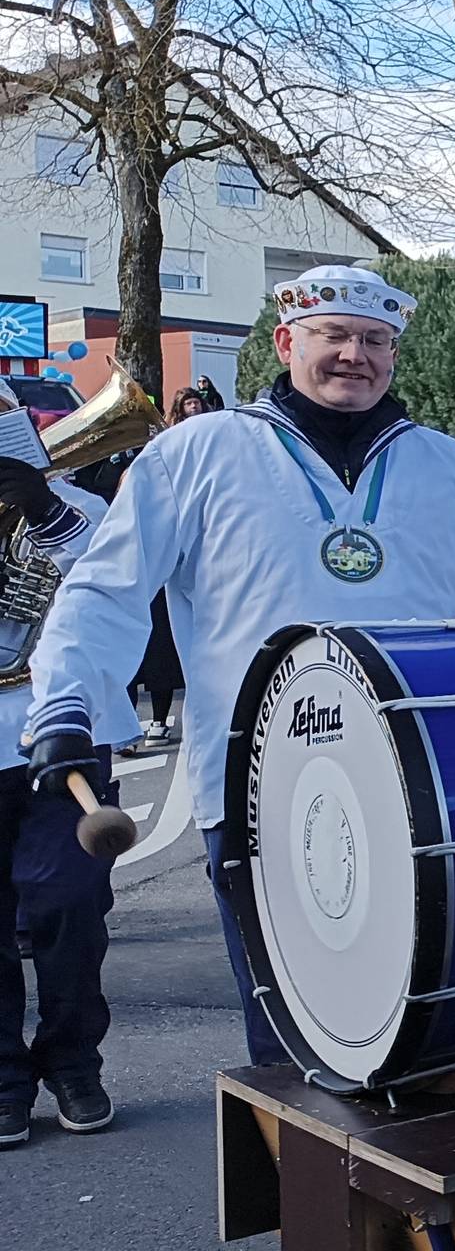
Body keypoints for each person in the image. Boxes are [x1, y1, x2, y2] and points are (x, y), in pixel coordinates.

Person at [20, 265, 455, 1068]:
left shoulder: (451, 468)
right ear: (285, 343)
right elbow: (106, 591)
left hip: (425, 787)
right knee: (297, 1048)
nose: (356, 355)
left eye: (375, 341)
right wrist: (66, 704)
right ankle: (297, 1193)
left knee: (430, 1029)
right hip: (256, 788)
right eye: (334, 337)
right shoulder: (196, 452)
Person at [0, 423, 132, 1148]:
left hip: (63, 735)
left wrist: (46, 518)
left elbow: (117, 588)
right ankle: (3, 1081)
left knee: (71, 906)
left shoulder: (81, 510)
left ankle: (75, 1062)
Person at [121, 385, 221, 753]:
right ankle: (128, 723)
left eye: (197, 401)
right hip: (140, 571)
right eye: (188, 403)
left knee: (160, 653)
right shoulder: (131, 463)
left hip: (167, 576)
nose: (193, 407)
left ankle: (159, 720)